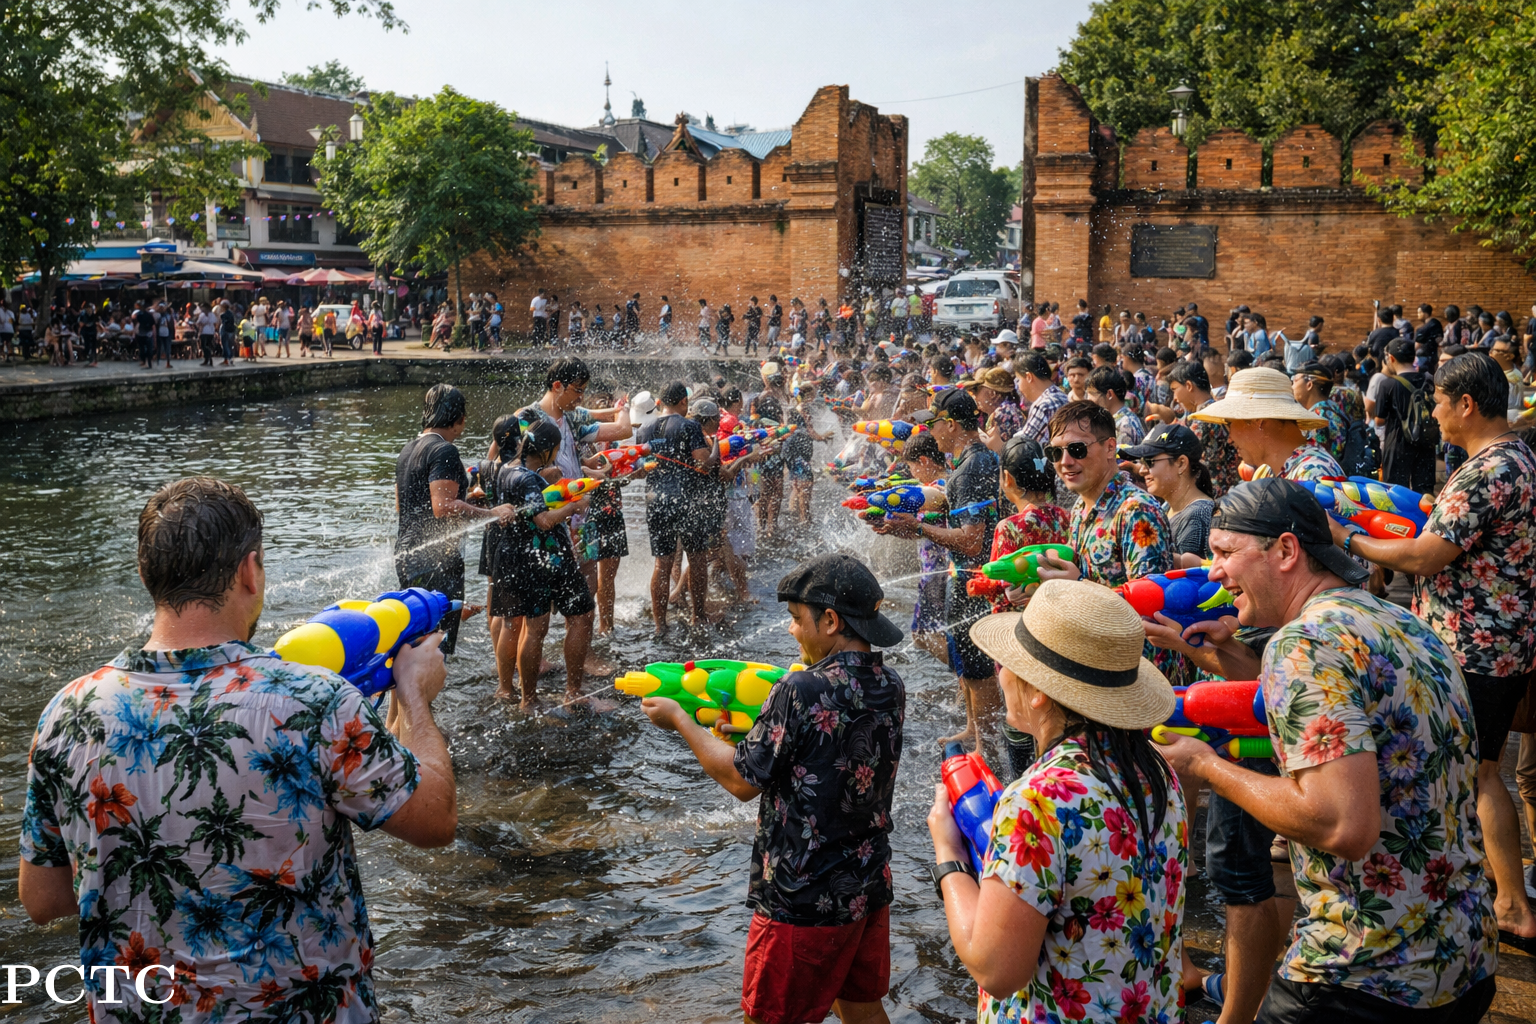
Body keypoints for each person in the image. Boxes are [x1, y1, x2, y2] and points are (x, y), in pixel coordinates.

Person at [19, 477, 457, 1022]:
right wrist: (414, 694)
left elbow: (44, 900)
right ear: (249, 571)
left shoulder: (67, 714)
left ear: (145, 575)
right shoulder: (313, 702)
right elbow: (434, 819)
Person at [1155, 479, 1498, 1024]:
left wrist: (1207, 767)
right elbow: (1316, 716)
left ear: (1287, 551)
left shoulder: (1306, 643)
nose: (1213, 572)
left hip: (1363, 973)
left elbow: (1341, 825)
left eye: (1224, 553)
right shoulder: (1398, 620)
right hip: (1462, 955)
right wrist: (1219, 649)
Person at [639, 553, 905, 1024]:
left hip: (802, 895)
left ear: (830, 620)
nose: (791, 631)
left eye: (796, 619)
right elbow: (824, 753)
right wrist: (753, 735)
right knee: (862, 1008)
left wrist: (680, 719)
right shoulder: (890, 683)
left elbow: (740, 782)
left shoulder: (798, 689)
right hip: (865, 884)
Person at [1333, 351, 1536, 952]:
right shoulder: (1518, 456)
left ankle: (1512, 904)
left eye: (1440, 405)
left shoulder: (1485, 471)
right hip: (1503, 642)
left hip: (1474, 647)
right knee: (1481, 771)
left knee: (1478, 774)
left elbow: (1425, 556)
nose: (1435, 417)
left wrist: (1352, 539)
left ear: (1467, 404)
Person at [930, 579, 1186, 1024]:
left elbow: (995, 968)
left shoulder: (1038, 799)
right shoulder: (1156, 773)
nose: (999, 671)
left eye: (1007, 662)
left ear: (1038, 692)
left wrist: (949, 857)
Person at [875, 389, 1000, 751]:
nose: (931, 432)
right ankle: (976, 731)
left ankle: (987, 747)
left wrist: (915, 528)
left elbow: (973, 540)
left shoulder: (972, 467)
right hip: (968, 578)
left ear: (949, 424)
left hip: (975, 579)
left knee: (978, 666)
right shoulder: (972, 463)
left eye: (933, 424)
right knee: (969, 658)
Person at [394, 384, 505, 657]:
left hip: (408, 553)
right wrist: (492, 513)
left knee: (414, 641)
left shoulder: (407, 450)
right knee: (436, 648)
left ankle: (410, 697)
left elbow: (403, 506)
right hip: (436, 559)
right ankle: (428, 699)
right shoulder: (444, 451)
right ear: (460, 419)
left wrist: (467, 502)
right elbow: (442, 507)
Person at [638, 382, 721, 633]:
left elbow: (641, 470)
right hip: (688, 501)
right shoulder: (690, 426)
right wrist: (715, 445)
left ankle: (660, 625)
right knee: (696, 560)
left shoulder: (644, 428)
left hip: (656, 501)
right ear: (684, 402)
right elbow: (704, 464)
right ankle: (698, 617)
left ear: (661, 402)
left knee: (661, 564)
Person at [1191, 367, 1339, 482]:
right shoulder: (1268, 471)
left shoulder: (1313, 475)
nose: (1230, 439)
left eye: (1229, 424)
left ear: (1258, 421)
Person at [1125, 422, 1215, 566]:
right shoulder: (1168, 507)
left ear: (1181, 463)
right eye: (1142, 462)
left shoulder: (1198, 515)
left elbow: (1186, 580)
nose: (1142, 470)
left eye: (1149, 461)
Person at [1372, 337, 1439, 493]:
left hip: (1397, 444)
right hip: (1425, 440)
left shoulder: (1387, 384)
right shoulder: (1430, 380)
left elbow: (1380, 420)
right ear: (1413, 357)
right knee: (1424, 491)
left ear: (1391, 358)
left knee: (1395, 491)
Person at [1290, 361, 1349, 467]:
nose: (1292, 386)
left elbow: (1313, 462)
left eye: (1295, 380)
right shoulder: (1333, 408)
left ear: (1309, 385)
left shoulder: (1316, 419)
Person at [1013, 351, 1070, 445]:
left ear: (1029, 377)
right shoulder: (1061, 396)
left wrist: (995, 444)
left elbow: (1022, 448)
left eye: (1018, 380)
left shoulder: (1044, 405)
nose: (1018, 386)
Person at [1086, 364, 1144, 447]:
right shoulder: (1126, 418)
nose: (1088, 399)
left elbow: (1122, 459)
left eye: (1092, 394)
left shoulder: (1123, 425)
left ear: (1110, 394)